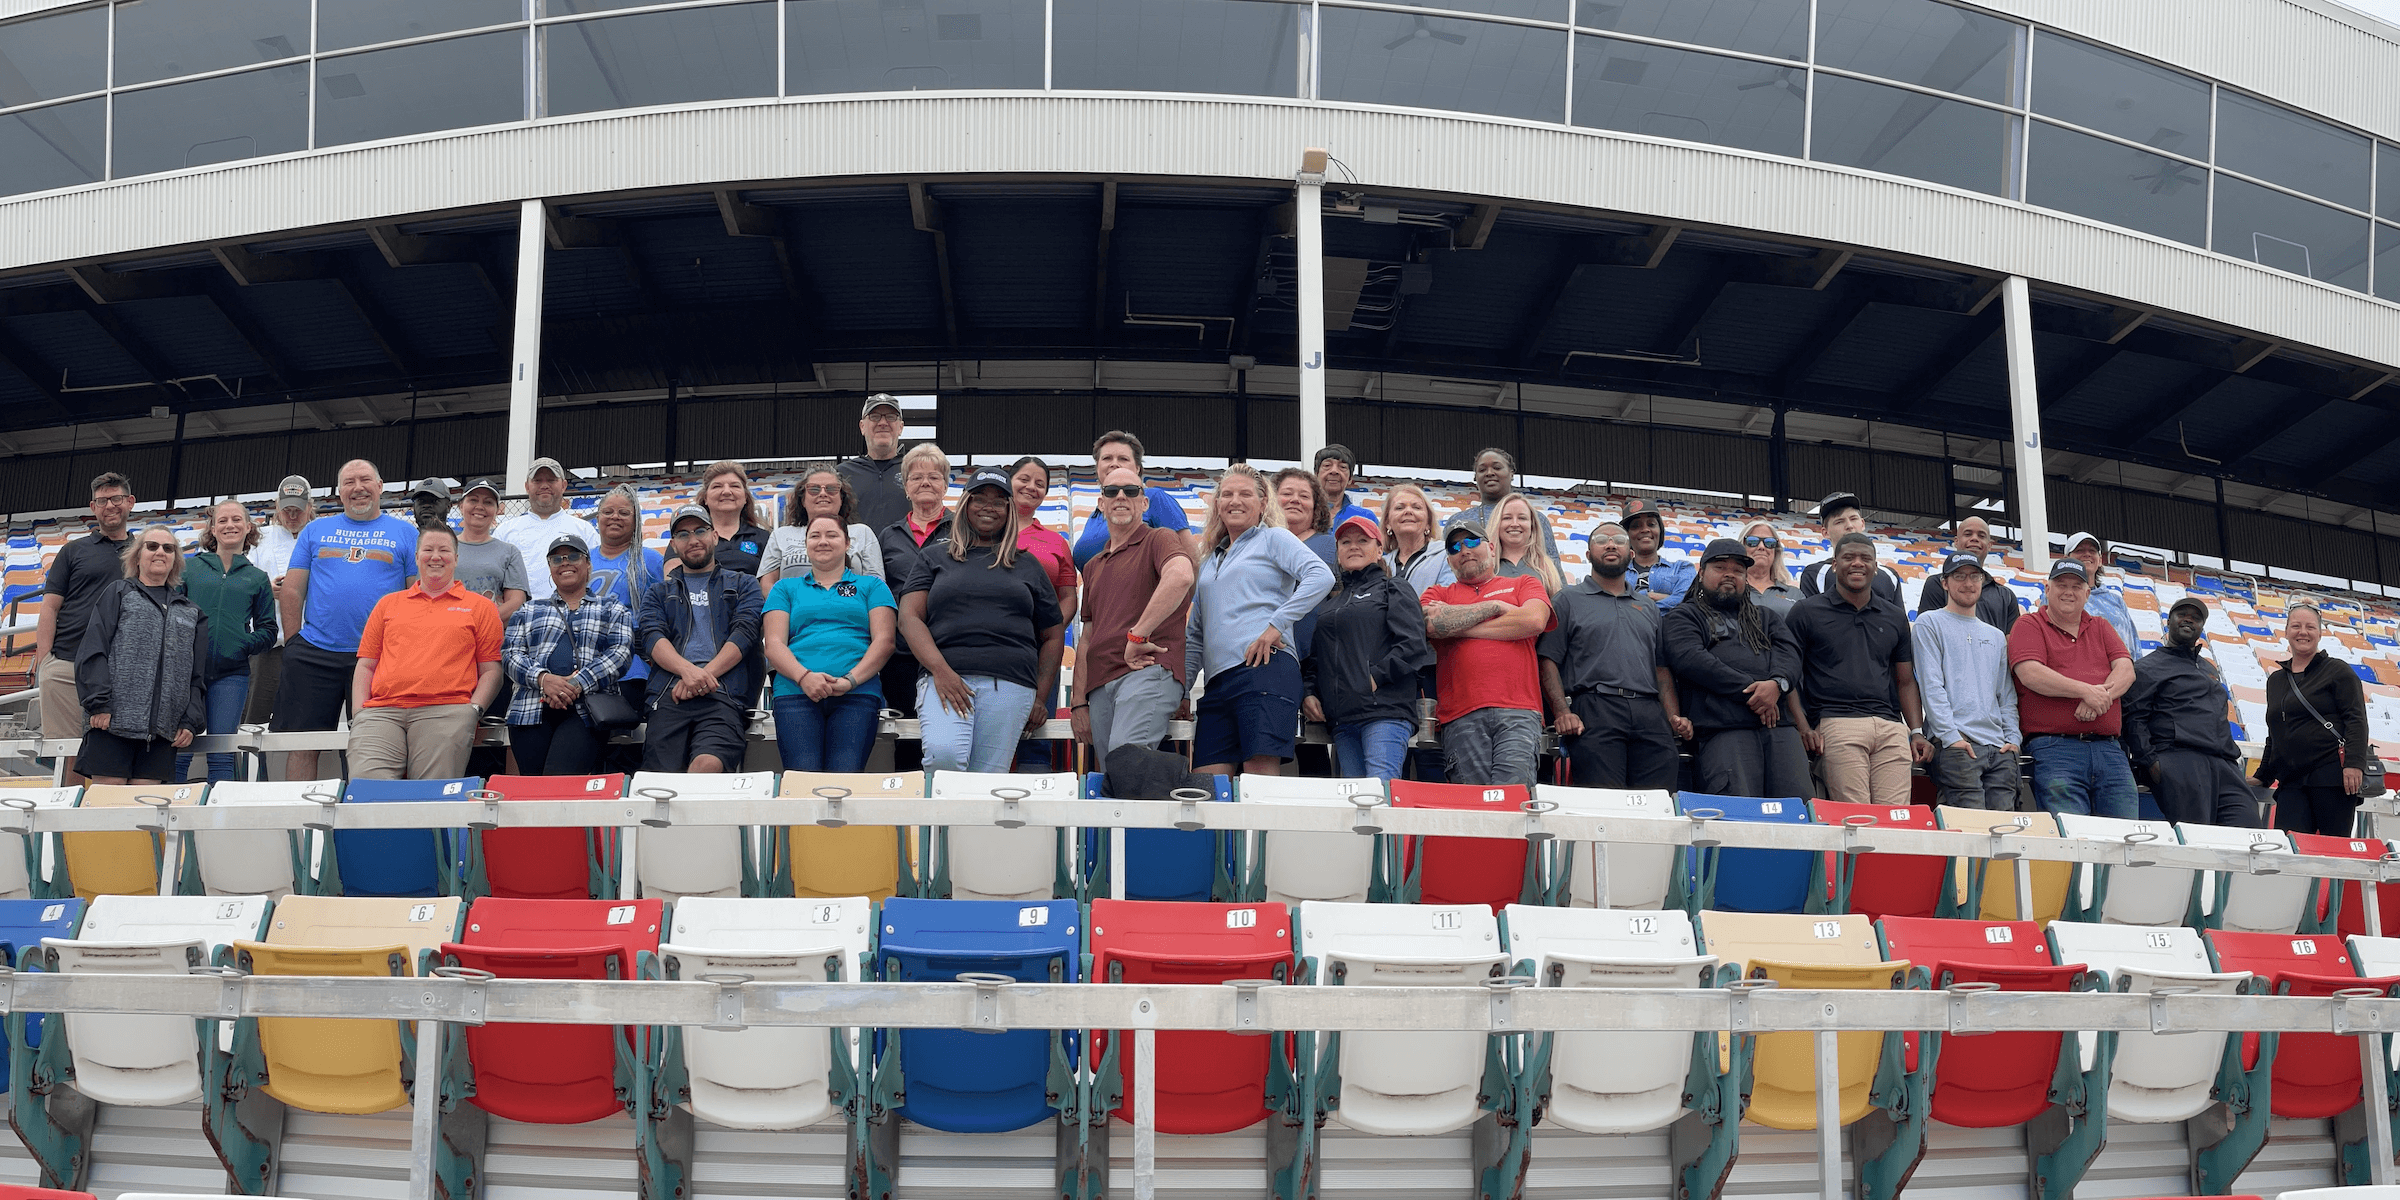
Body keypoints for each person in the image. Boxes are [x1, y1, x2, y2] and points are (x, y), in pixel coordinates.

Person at [896, 470, 1065, 773]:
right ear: (964, 505)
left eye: (999, 502)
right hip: (944, 678)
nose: (989, 507)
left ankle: (961, 824)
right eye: (980, 500)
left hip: (1011, 683)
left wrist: (1041, 697)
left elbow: (1053, 634)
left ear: (1009, 511)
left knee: (986, 779)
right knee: (943, 755)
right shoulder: (934, 557)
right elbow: (909, 618)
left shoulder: (1027, 564)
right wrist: (940, 670)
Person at [1185, 465, 1334, 777]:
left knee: (1259, 780)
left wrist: (1275, 625)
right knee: (1206, 785)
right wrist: (1183, 691)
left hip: (1265, 668)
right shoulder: (1209, 560)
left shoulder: (1274, 538)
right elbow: (1196, 635)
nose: (1234, 501)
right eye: (1227, 494)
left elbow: (1321, 576)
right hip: (1217, 684)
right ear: (1217, 504)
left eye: (1245, 494)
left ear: (1264, 503)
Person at [274, 459, 417, 781]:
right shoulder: (315, 530)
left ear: (380, 487)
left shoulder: (406, 533)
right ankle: (301, 821)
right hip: (314, 652)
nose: (358, 488)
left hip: (378, 657)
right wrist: (295, 643)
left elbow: (414, 597)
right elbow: (293, 591)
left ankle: (369, 818)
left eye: (365, 479)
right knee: (303, 743)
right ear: (340, 493)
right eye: (349, 482)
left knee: (377, 745)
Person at [348, 525, 503, 781]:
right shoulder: (388, 604)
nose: (435, 556)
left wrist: (473, 710)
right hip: (382, 713)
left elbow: (491, 670)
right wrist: (360, 713)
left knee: (431, 798)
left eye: (444, 550)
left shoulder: (481, 608)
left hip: (447, 711)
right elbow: (366, 665)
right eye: (428, 550)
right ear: (417, 557)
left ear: (456, 558)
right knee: (368, 791)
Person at [1786, 533, 1931, 804]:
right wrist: (1803, 726)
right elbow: (1789, 676)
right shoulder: (1806, 612)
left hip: (1890, 727)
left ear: (1875, 567)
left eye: (1866, 558)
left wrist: (1916, 731)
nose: (1857, 564)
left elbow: (1906, 681)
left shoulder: (1895, 616)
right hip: (1836, 724)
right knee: (1857, 820)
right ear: (1834, 564)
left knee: (1894, 822)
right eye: (1849, 557)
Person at [1540, 520, 1686, 790]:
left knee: (1659, 802)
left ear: (1630, 555)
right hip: (1595, 708)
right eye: (1601, 540)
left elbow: (1661, 669)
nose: (1610, 544)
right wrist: (1561, 711)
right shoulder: (1568, 599)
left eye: (1619, 540)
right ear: (1588, 555)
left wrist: (1672, 717)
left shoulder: (1648, 607)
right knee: (1605, 804)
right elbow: (1548, 659)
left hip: (1649, 713)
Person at [1664, 539, 1810, 799]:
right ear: (1701, 573)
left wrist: (1777, 685)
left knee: (1797, 811)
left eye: (1738, 570)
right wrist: (1755, 693)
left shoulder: (1766, 617)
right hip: (1724, 731)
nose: (1730, 574)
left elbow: (1790, 655)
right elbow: (1692, 660)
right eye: (1720, 567)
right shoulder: (1684, 615)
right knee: (1738, 816)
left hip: (1780, 729)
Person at [1072, 466, 1196, 758]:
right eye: (1111, 491)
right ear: (1101, 504)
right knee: (1111, 777)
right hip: (1101, 683)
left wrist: (1137, 636)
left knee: (1125, 761)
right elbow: (1087, 638)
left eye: (1131, 491)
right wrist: (1078, 701)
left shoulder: (1160, 538)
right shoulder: (1092, 566)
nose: (1121, 497)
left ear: (1144, 503)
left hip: (1147, 671)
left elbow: (1181, 576)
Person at [1423, 521, 1553, 787]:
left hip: (1519, 711)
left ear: (1492, 548)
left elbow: (1534, 620)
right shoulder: (1438, 592)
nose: (1464, 550)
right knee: (1473, 810)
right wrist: (1495, 606)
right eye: (1455, 546)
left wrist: (1458, 628)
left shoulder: (1524, 582)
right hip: (1461, 714)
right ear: (1449, 560)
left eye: (1472, 542)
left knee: (1513, 802)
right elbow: (1432, 624)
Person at [74, 527, 207, 785]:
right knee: (108, 810)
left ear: (175, 560)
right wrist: (98, 702)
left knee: (143, 816)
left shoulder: (192, 613)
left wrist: (190, 721)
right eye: (152, 546)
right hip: (111, 725)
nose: (160, 552)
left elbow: (197, 676)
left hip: (161, 734)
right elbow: (93, 650)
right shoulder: (119, 593)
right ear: (137, 557)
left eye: (168, 548)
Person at [763, 516, 897, 773]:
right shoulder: (784, 589)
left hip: (857, 694)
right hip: (795, 693)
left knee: (845, 778)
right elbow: (774, 644)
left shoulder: (872, 586)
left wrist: (850, 681)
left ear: (847, 543)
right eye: (815, 536)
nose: (823, 541)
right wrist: (804, 678)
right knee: (802, 778)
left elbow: (885, 641)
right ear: (806, 545)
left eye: (832, 535)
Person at [638, 506, 765, 774]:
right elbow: (652, 637)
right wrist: (687, 672)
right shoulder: (658, 592)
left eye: (700, 530)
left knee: (707, 766)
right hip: (670, 693)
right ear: (673, 545)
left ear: (715, 536)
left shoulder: (744, 584)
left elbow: (745, 633)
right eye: (683, 534)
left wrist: (701, 678)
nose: (693, 539)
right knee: (659, 781)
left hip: (723, 692)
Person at [2007, 557, 2136, 819]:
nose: (2068, 592)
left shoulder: (2101, 626)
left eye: (2076, 586)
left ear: (2087, 593)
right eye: (2061, 584)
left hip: (2110, 750)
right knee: (2073, 838)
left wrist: (2100, 697)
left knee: (2126, 839)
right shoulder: (2029, 624)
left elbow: (2126, 670)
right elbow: (2030, 673)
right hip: (2056, 749)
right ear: (2047, 589)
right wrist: (2085, 691)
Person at [1303, 513, 1429, 780]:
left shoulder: (1394, 587)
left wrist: (1374, 678)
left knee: (1379, 795)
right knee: (1356, 803)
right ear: (1337, 553)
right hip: (1341, 720)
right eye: (1346, 542)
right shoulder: (1330, 604)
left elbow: (1413, 645)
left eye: (1363, 540)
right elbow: (1317, 658)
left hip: (1384, 711)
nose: (1354, 546)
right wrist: (1310, 692)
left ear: (1380, 549)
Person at [501, 534, 633, 777]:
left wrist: (575, 683)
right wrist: (544, 680)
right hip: (530, 709)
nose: (565, 563)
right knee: (534, 786)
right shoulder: (529, 610)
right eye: (556, 559)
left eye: (573, 556)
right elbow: (510, 654)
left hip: (587, 709)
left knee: (558, 778)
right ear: (550, 568)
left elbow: (620, 654)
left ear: (588, 564)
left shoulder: (612, 608)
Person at [36, 471, 136, 783]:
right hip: (67, 664)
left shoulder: (145, 552)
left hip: (119, 669)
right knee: (70, 754)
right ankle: (66, 830)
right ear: (93, 507)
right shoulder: (73, 551)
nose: (110, 505)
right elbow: (50, 606)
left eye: (116, 498)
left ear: (130, 503)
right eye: (103, 500)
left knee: (111, 753)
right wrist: (44, 661)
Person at [2125, 596, 2255, 827]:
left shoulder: (2208, 669)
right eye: (2182, 615)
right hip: (2180, 761)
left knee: (2248, 831)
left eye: (2196, 618)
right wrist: (2152, 763)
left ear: (2201, 628)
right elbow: (2134, 719)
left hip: (2224, 763)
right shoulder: (2147, 667)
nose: (2188, 620)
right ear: (2168, 622)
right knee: (2199, 841)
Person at [1912, 553, 2023, 810]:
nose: (1968, 583)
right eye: (1959, 576)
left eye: (1974, 576)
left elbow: (2005, 695)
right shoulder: (1929, 623)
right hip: (1957, 745)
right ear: (1945, 583)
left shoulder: (1995, 636)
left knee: (2004, 834)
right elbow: (1931, 686)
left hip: (1999, 749)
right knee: (1969, 832)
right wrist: (1951, 737)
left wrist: (2013, 739)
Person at [176, 501, 275, 783]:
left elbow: (268, 629)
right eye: (222, 521)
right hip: (186, 675)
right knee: (178, 749)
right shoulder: (190, 568)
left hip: (231, 676)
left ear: (248, 528)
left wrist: (241, 644)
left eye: (236, 520)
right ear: (212, 529)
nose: (229, 525)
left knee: (221, 754)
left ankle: (217, 824)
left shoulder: (257, 578)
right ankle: (169, 823)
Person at [2256, 599, 2371, 837]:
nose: (2303, 632)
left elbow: (2356, 720)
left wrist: (2354, 764)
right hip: (2291, 783)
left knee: (2334, 854)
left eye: (2310, 627)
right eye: (2296, 626)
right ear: (2286, 631)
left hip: (2332, 779)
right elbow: (2275, 733)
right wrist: (2263, 776)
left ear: (2320, 633)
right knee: (2291, 854)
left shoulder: (2338, 671)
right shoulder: (2275, 681)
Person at [876, 442, 955, 733]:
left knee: (947, 731)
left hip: (948, 647)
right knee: (906, 735)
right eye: (916, 477)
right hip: (901, 655)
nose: (925, 483)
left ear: (946, 485)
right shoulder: (888, 536)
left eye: (934, 476)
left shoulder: (962, 529)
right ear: (906, 487)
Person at [587, 485, 667, 719]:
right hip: (584, 659)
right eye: (608, 511)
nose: (615, 517)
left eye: (624, 513)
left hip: (630, 667)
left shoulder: (650, 561)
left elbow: (665, 613)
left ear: (635, 521)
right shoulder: (582, 558)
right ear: (598, 517)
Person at [1070, 430, 1193, 570]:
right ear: (1097, 468)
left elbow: (1190, 558)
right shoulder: (1094, 516)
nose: (1114, 464)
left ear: (1137, 468)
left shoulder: (1155, 498)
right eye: (1107, 458)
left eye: (1123, 458)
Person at [246, 474, 313, 726]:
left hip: (310, 643)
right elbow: (243, 578)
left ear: (310, 507)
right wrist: (265, 588)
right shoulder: (259, 538)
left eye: (298, 510)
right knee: (255, 718)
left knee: (304, 719)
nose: (292, 516)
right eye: (287, 510)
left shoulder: (319, 536)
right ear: (277, 507)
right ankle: (250, 766)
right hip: (269, 644)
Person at [495, 458, 599, 602]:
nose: (544, 486)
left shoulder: (584, 530)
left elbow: (595, 574)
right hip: (519, 618)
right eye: (537, 481)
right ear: (527, 486)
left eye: (551, 480)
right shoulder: (505, 531)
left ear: (563, 485)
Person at [761, 467, 884, 587]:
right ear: (802, 499)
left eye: (831, 489)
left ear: (841, 498)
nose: (823, 493)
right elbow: (767, 584)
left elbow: (876, 585)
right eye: (814, 489)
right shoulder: (780, 535)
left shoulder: (863, 533)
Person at [1443, 447, 1559, 561]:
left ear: (1511, 473)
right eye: (1482, 470)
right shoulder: (1458, 520)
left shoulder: (1536, 518)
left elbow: (1553, 565)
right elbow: (1447, 564)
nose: (1489, 473)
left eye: (1497, 467)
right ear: (1475, 477)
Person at [1914, 516, 2017, 632]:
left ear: (1989, 545)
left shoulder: (2006, 595)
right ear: (1956, 542)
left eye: (1981, 536)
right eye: (1968, 534)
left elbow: (2011, 643)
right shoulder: (1936, 584)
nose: (1974, 539)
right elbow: (1928, 631)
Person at [1009, 456, 1077, 625]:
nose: (1031, 487)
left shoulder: (1057, 542)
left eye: (1039, 484)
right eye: (1024, 479)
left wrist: (1051, 634)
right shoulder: (985, 532)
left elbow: (1068, 597)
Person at [1797, 492, 1901, 603]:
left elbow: (1896, 619)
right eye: (1839, 522)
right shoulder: (1815, 574)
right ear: (1825, 532)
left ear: (1862, 524)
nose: (1849, 526)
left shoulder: (1889, 576)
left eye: (1853, 519)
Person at [453, 479, 530, 622]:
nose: (480, 507)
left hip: (491, 636)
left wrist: (479, 622)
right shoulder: (444, 548)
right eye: (473, 500)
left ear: (497, 510)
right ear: (461, 506)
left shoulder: (510, 552)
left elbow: (516, 601)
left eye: (488, 502)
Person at [838, 393, 911, 534]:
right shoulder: (841, 474)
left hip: (906, 555)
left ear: (901, 427)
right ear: (862, 427)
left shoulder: (915, 470)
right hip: (856, 555)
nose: (883, 423)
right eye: (874, 416)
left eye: (890, 417)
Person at [2060, 531, 2137, 653]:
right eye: (2079, 550)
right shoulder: (2057, 596)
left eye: (2092, 551)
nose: (2087, 554)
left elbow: (2134, 646)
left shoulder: (2116, 601)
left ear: (2100, 560)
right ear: (2066, 559)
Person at [694, 460, 772, 576]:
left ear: (745, 497)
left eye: (734, 486)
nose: (726, 491)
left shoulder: (765, 538)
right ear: (705, 498)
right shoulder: (689, 537)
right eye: (717, 486)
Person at [1381, 482, 1454, 597]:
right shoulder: (1380, 563)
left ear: (1428, 523)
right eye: (1399, 507)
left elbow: (1446, 600)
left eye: (1417, 507)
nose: (1408, 511)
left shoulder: (1447, 555)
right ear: (1388, 523)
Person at [1619, 498, 1695, 607]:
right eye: (1636, 526)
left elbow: (1687, 603)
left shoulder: (1682, 568)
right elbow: (1611, 605)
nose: (1645, 530)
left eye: (1651, 524)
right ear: (1627, 535)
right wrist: (1659, 597)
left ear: (1660, 530)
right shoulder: (1617, 572)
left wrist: (1634, 601)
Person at [1491, 492, 1564, 597]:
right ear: (1497, 523)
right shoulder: (1484, 566)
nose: (1515, 524)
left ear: (1532, 525)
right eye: (1507, 518)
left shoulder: (1550, 568)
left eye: (1522, 518)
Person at [1739, 518, 1803, 618]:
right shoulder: (1731, 589)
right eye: (1752, 541)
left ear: (1776, 551)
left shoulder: (1794, 594)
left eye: (1769, 542)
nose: (1761, 546)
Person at [1273, 467, 1335, 566]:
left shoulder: (1332, 546)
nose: (1295, 499)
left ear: (1316, 505)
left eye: (1304, 496)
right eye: (1287, 493)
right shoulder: (1256, 541)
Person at [1313, 444, 1378, 528]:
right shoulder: (1304, 513)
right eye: (1327, 465)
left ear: (1350, 478)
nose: (1334, 471)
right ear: (1316, 474)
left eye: (1342, 467)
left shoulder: (1366, 517)